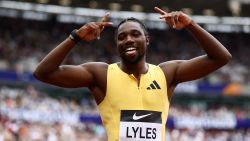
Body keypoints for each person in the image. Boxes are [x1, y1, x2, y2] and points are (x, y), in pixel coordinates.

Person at [33, 7, 232, 141]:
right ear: (116, 45)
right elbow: (44, 72)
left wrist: (191, 25)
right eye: (122, 37)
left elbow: (220, 57)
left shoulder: (166, 73)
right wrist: (75, 37)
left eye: (135, 34)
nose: (128, 39)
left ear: (147, 40)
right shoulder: (101, 74)